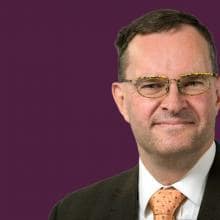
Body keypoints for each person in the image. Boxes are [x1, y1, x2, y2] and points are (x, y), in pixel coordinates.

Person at [49, 9, 220, 220]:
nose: (174, 104)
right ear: (122, 101)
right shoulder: (73, 213)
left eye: (193, 82)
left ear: (217, 94)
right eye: (152, 85)